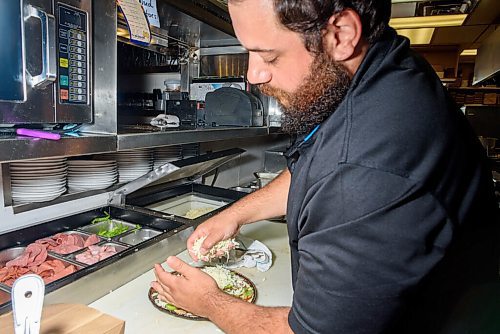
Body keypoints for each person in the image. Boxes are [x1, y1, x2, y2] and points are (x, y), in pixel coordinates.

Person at [151, 0, 500, 333]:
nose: (253, 75)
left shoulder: (368, 166)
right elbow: (314, 164)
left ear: (342, 34)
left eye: (268, 56)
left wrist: (209, 301)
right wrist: (236, 215)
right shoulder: (383, 69)